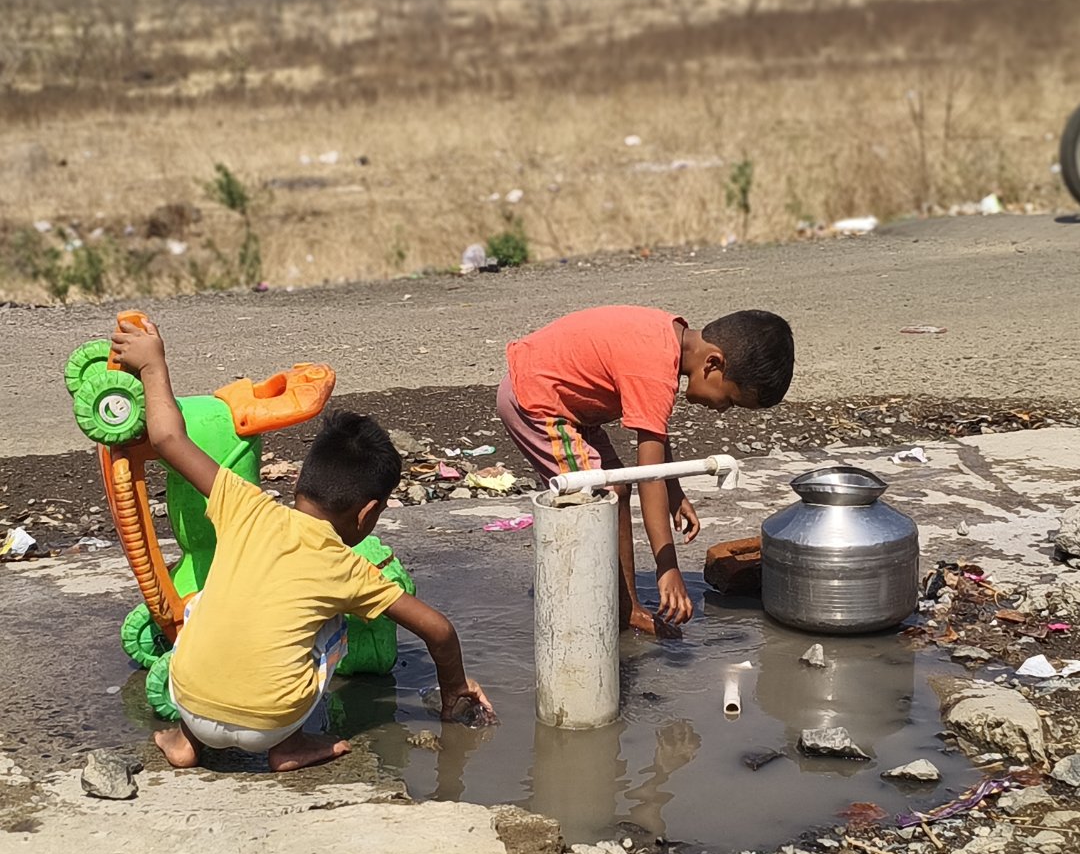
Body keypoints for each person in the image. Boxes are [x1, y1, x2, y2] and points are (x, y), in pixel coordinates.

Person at [111, 318, 494, 773]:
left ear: (298, 483)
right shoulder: (346, 567)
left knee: (204, 603)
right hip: (266, 725)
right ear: (367, 513)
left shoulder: (244, 505)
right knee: (334, 622)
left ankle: (185, 741)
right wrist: (454, 690)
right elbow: (438, 630)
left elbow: (168, 438)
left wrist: (153, 365)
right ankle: (290, 744)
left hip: (187, 700)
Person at [497, 306, 794, 634]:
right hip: (535, 401)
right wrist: (667, 567)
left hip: (568, 403)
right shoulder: (655, 368)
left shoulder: (667, 341)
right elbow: (648, 475)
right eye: (730, 400)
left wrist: (675, 492)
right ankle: (600, 611)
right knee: (599, 498)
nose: (723, 410)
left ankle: (623, 605)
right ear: (713, 363)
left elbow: (656, 436)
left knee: (615, 490)